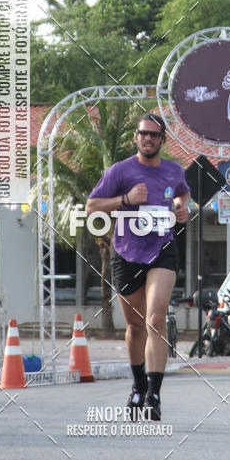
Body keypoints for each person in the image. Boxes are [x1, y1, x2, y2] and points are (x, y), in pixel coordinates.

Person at [86, 113, 190, 421]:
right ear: (136, 137)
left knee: (156, 319)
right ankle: (138, 385)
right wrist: (125, 198)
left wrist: (182, 207)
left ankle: (154, 396)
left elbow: (183, 191)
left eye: (155, 135)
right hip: (127, 252)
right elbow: (92, 206)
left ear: (162, 140)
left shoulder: (173, 170)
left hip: (162, 249)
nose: (148, 139)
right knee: (134, 326)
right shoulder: (120, 171)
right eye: (144, 134)